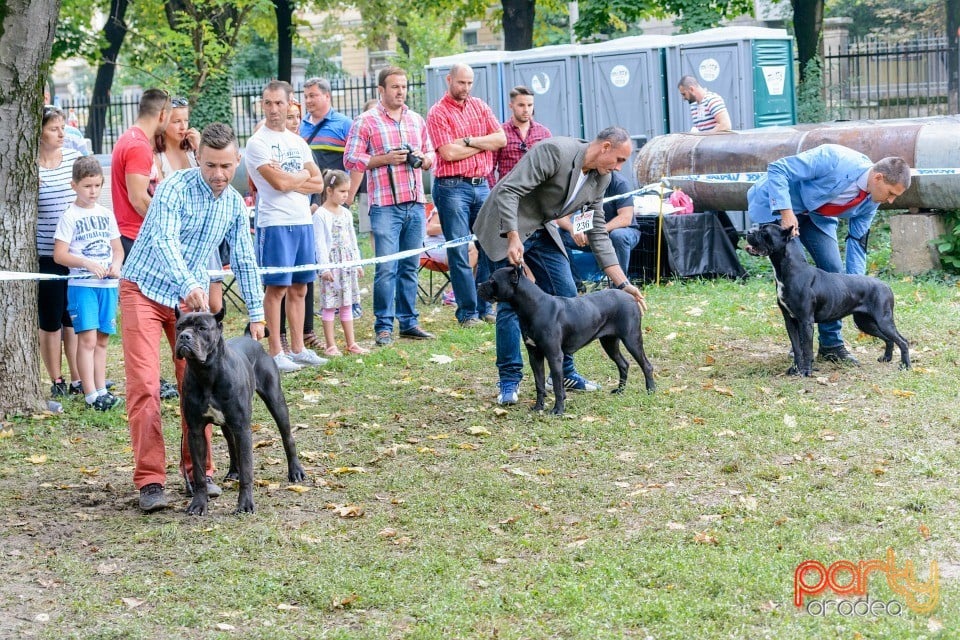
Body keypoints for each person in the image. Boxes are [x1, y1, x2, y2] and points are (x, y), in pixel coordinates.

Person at [120, 123, 267, 513]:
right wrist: (188, 283)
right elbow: (164, 240)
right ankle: (151, 481)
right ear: (198, 159)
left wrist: (256, 312)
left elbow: (245, 259)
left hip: (190, 304)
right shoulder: (173, 188)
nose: (218, 175)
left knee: (199, 384)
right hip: (145, 289)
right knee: (146, 386)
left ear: (237, 162)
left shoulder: (235, 203)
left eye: (225, 166)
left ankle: (197, 473)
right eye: (211, 166)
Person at [474, 127, 647, 405]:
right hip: (504, 226)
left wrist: (622, 283)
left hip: (541, 227)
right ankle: (509, 380)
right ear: (604, 147)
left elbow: (597, 229)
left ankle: (564, 372)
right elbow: (508, 191)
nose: (618, 168)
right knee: (511, 303)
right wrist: (513, 236)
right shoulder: (554, 151)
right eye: (618, 160)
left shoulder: (600, 179)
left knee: (566, 291)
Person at [747, 143, 911, 364]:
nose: (891, 200)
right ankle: (801, 347)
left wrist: (856, 289)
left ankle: (831, 345)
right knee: (797, 271)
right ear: (879, 178)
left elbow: (857, 242)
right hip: (777, 206)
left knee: (833, 271)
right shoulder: (833, 158)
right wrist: (786, 213)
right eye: (891, 193)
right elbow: (778, 169)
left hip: (815, 216)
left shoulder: (871, 201)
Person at [344, 65, 436, 346]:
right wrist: (384, 159)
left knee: (410, 265)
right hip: (384, 205)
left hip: (416, 202)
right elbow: (350, 159)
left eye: (404, 86)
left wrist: (424, 158)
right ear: (381, 90)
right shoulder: (366, 121)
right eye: (395, 87)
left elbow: (431, 153)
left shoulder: (416, 119)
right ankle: (383, 327)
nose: (401, 92)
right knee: (386, 268)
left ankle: (409, 323)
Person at [245, 80, 328, 373]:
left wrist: (291, 177)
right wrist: (298, 177)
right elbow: (277, 184)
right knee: (277, 289)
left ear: (291, 104)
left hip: (302, 221)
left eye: (279, 103)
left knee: (300, 288)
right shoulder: (257, 143)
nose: (273, 109)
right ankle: (276, 352)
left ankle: (299, 348)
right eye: (268, 103)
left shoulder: (298, 141)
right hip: (275, 223)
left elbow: (319, 183)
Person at [427, 63, 506, 328]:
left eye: (470, 83)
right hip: (451, 187)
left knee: (488, 245)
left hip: (481, 184)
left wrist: (469, 141)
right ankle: (467, 312)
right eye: (461, 82)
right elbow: (447, 153)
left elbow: (500, 139)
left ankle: (484, 305)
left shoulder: (480, 106)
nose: (466, 88)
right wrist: (483, 145)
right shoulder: (438, 112)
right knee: (460, 249)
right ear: (449, 79)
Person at [112, 89, 179, 401]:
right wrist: (171, 224)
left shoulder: (133, 140)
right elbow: (140, 199)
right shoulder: (138, 145)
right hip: (138, 239)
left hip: (138, 236)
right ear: (163, 114)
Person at [52, 156, 123, 411]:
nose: (92, 191)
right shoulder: (70, 216)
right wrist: (86, 263)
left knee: (103, 338)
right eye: (87, 186)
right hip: (82, 286)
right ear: (74, 186)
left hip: (107, 287)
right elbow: (59, 254)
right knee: (88, 339)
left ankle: (102, 389)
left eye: (96, 185)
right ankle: (90, 393)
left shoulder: (106, 214)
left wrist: (116, 264)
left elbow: (117, 249)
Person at [154, 96, 227, 315]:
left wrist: (198, 148)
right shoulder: (157, 156)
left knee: (215, 302)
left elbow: (213, 182)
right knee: (187, 300)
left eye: (185, 120)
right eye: (176, 121)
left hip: (204, 227)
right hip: (178, 231)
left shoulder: (193, 153)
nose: (183, 126)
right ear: (164, 121)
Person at [37, 106, 80, 408]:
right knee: (51, 317)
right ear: (39, 132)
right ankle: (57, 378)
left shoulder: (73, 162)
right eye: (54, 128)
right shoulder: (30, 167)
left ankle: (79, 376)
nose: (62, 133)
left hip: (76, 253)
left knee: (72, 316)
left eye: (62, 127)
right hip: (47, 253)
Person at [313, 170, 369, 356]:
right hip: (331, 265)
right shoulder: (320, 215)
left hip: (347, 264)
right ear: (329, 191)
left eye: (347, 191)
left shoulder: (345, 213)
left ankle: (351, 343)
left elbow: (352, 239)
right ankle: (331, 345)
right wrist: (324, 268)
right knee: (329, 305)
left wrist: (357, 263)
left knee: (347, 303)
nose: (346, 195)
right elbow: (319, 243)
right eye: (342, 191)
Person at [558, 170, 639, 290]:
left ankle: (619, 285)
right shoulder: (583, 184)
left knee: (618, 235)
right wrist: (573, 228)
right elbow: (561, 217)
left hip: (623, 232)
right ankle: (575, 284)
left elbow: (625, 218)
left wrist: (597, 232)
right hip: (591, 234)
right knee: (560, 235)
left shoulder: (620, 183)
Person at [490, 86, 551, 185]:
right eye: (521, 105)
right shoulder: (500, 133)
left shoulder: (543, 133)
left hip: (536, 191)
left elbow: (550, 165)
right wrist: (493, 193)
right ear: (511, 106)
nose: (526, 109)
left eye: (530, 105)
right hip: (508, 191)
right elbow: (489, 167)